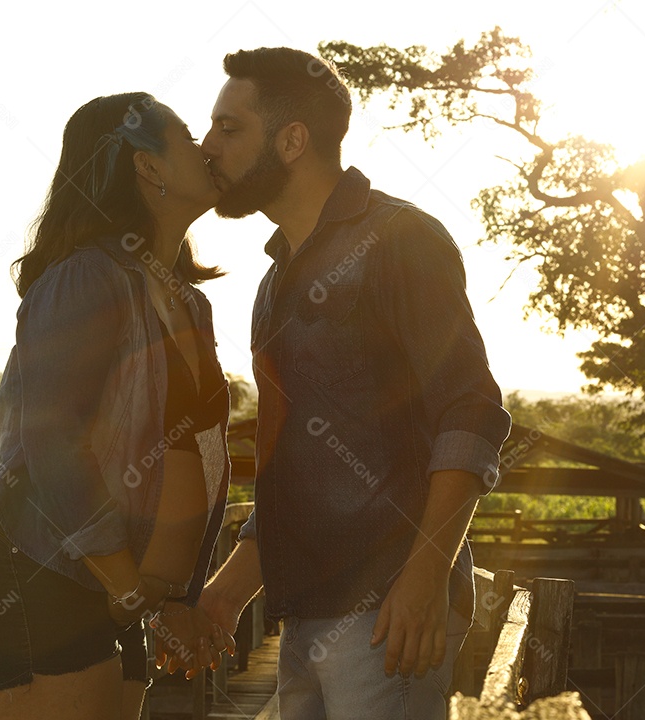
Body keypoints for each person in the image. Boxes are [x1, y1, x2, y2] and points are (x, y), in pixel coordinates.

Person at [185, 47, 513, 719]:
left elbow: (471, 410)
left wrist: (425, 576)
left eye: (228, 127)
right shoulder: (275, 282)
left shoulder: (401, 240)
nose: (207, 145)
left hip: (390, 615)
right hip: (304, 616)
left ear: (292, 140)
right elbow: (291, 468)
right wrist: (225, 593)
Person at [0, 92, 235, 720]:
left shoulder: (191, 303)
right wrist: (133, 591)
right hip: (36, 571)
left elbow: (197, 452)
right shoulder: (87, 277)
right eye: (188, 134)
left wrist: (177, 595)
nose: (207, 146)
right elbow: (55, 443)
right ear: (147, 166)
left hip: (114, 590)